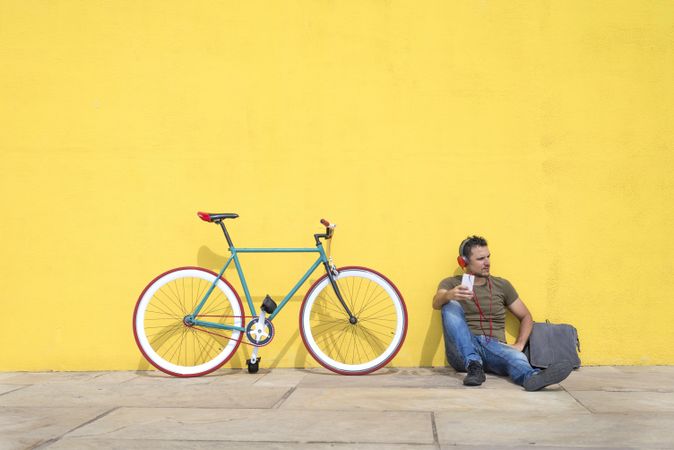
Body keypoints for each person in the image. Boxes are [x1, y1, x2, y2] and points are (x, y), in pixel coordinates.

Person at [433, 235, 573, 391]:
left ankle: (532, 377)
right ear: (463, 262)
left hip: (492, 346)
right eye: (480, 259)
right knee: (449, 304)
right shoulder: (451, 283)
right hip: (462, 350)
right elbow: (436, 302)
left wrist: (520, 343)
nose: (487, 263)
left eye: (488, 257)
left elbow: (526, 316)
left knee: (516, 357)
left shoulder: (502, 285)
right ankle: (473, 364)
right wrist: (449, 295)